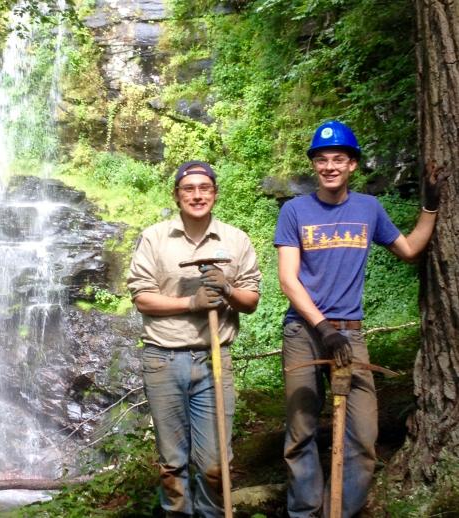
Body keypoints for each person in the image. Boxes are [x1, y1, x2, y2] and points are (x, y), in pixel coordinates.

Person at [274, 120, 446, 517]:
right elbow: (288, 279)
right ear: (314, 165)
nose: (329, 166)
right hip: (304, 329)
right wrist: (323, 327)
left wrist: (430, 205)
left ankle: (340, 511)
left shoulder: (369, 208)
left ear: (352, 164)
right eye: (322, 159)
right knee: (301, 430)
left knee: (363, 434)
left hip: (350, 333)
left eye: (339, 158)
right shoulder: (295, 211)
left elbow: (409, 250)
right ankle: (304, 510)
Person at [127, 160, 262, 518]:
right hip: (163, 359)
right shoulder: (155, 238)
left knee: (215, 462)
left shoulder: (235, 240)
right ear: (176, 195)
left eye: (205, 188)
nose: (197, 195)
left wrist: (227, 289)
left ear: (215, 193)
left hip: (213, 359)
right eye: (189, 188)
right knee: (172, 463)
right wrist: (192, 301)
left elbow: (251, 300)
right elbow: (141, 297)